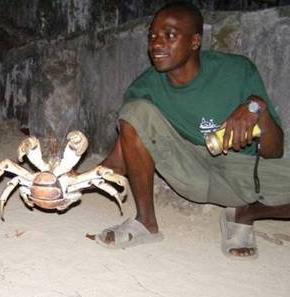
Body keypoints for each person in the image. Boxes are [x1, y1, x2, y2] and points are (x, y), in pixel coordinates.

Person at [90, 1, 290, 258]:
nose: (156, 44)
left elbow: (275, 151)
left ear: (195, 41)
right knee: (135, 110)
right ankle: (145, 222)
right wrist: (72, 183)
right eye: (152, 36)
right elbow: (120, 157)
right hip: (188, 169)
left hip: (242, 173)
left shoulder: (237, 71)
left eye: (169, 35)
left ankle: (246, 212)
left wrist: (257, 110)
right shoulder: (146, 86)